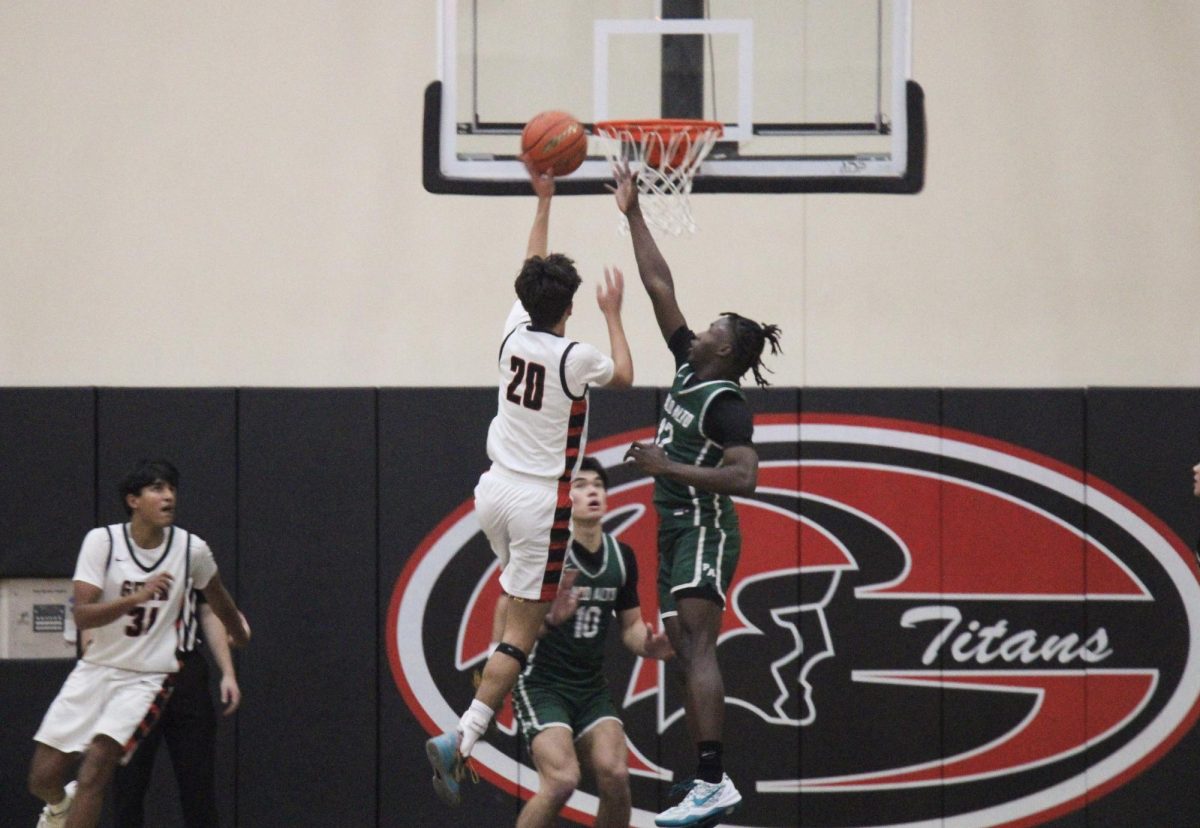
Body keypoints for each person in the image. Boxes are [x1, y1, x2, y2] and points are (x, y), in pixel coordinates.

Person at [425, 161, 634, 807]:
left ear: (527, 299)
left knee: (525, 611)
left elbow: (531, 262)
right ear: (570, 307)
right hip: (543, 502)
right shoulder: (575, 356)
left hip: (492, 491)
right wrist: (614, 313)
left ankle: (469, 725)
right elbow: (624, 375)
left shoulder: (513, 332)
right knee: (521, 631)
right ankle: (462, 738)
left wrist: (542, 200)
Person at [609, 163, 781, 827]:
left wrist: (667, 467)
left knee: (700, 648)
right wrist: (631, 214)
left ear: (728, 349)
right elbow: (659, 286)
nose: (700, 327)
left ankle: (713, 781)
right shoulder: (689, 363)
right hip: (677, 528)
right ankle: (707, 777)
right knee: (683, 647)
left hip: (707, 528)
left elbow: (747, 478)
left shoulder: (727, 403)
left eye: (714, 327)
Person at [27, 459, 250, 828]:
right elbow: (82, 615)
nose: (168, 497)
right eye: (158, 489)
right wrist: (137, 597)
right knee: (42, 777)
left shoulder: (191, 549)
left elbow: (217, 597)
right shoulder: (102, 542)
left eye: (172, 489)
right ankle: (57, 807)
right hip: (98, 667)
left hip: (150, 677)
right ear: (133, 500)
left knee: (95, 772)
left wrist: (238, 633)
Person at [505, 456, 673, 828]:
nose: (592, 490)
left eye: (598, 484)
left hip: (590, 687)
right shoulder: (546, 554)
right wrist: (548, 620)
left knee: (616, 775)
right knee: (563, 779)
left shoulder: (622, 556)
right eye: (580, 485)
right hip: (541, 684)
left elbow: (630, 627)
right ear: (565, 499)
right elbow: (509, 626)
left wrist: (649, 646)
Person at [110, 588, 243, 827]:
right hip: (132, 671)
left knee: (198, 785)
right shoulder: (111, 552)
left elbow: (208, 609)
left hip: (184, 670)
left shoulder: (193, 551)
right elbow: (90, 611)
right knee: (128, 786)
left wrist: (228, 672)